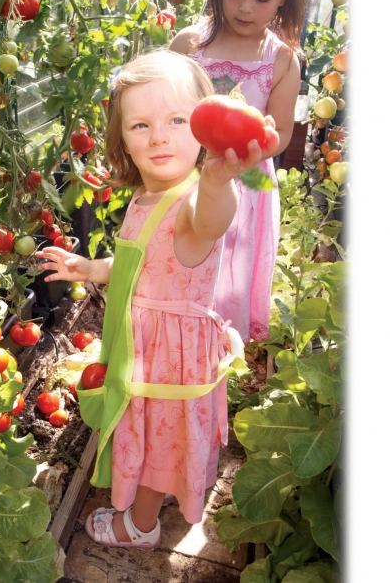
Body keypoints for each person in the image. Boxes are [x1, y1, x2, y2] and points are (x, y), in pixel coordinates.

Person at [35, 50, 280, 548]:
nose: (159, 135)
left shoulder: (195, 201)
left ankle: (140, 525)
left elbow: (214, 218)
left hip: (167, 360)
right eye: (140, 124)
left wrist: (217, 179)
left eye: (177, 120)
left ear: (205, 129)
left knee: (155, 441)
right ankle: (159, 495)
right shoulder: (146, 198)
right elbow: (135, 263)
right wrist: (89, 268)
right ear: (122, 137)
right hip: (145, 347)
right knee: (159, 436)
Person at [169, 0, 308, 344]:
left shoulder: (282, 60)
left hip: (249, 178)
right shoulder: (190, 45)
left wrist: (263, 138)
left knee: (237, 257)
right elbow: (169, 106)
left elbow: (282, 131)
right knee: (185, 250)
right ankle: (178, 333)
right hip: (189, 173)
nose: (246, 7)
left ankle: (221, 343)